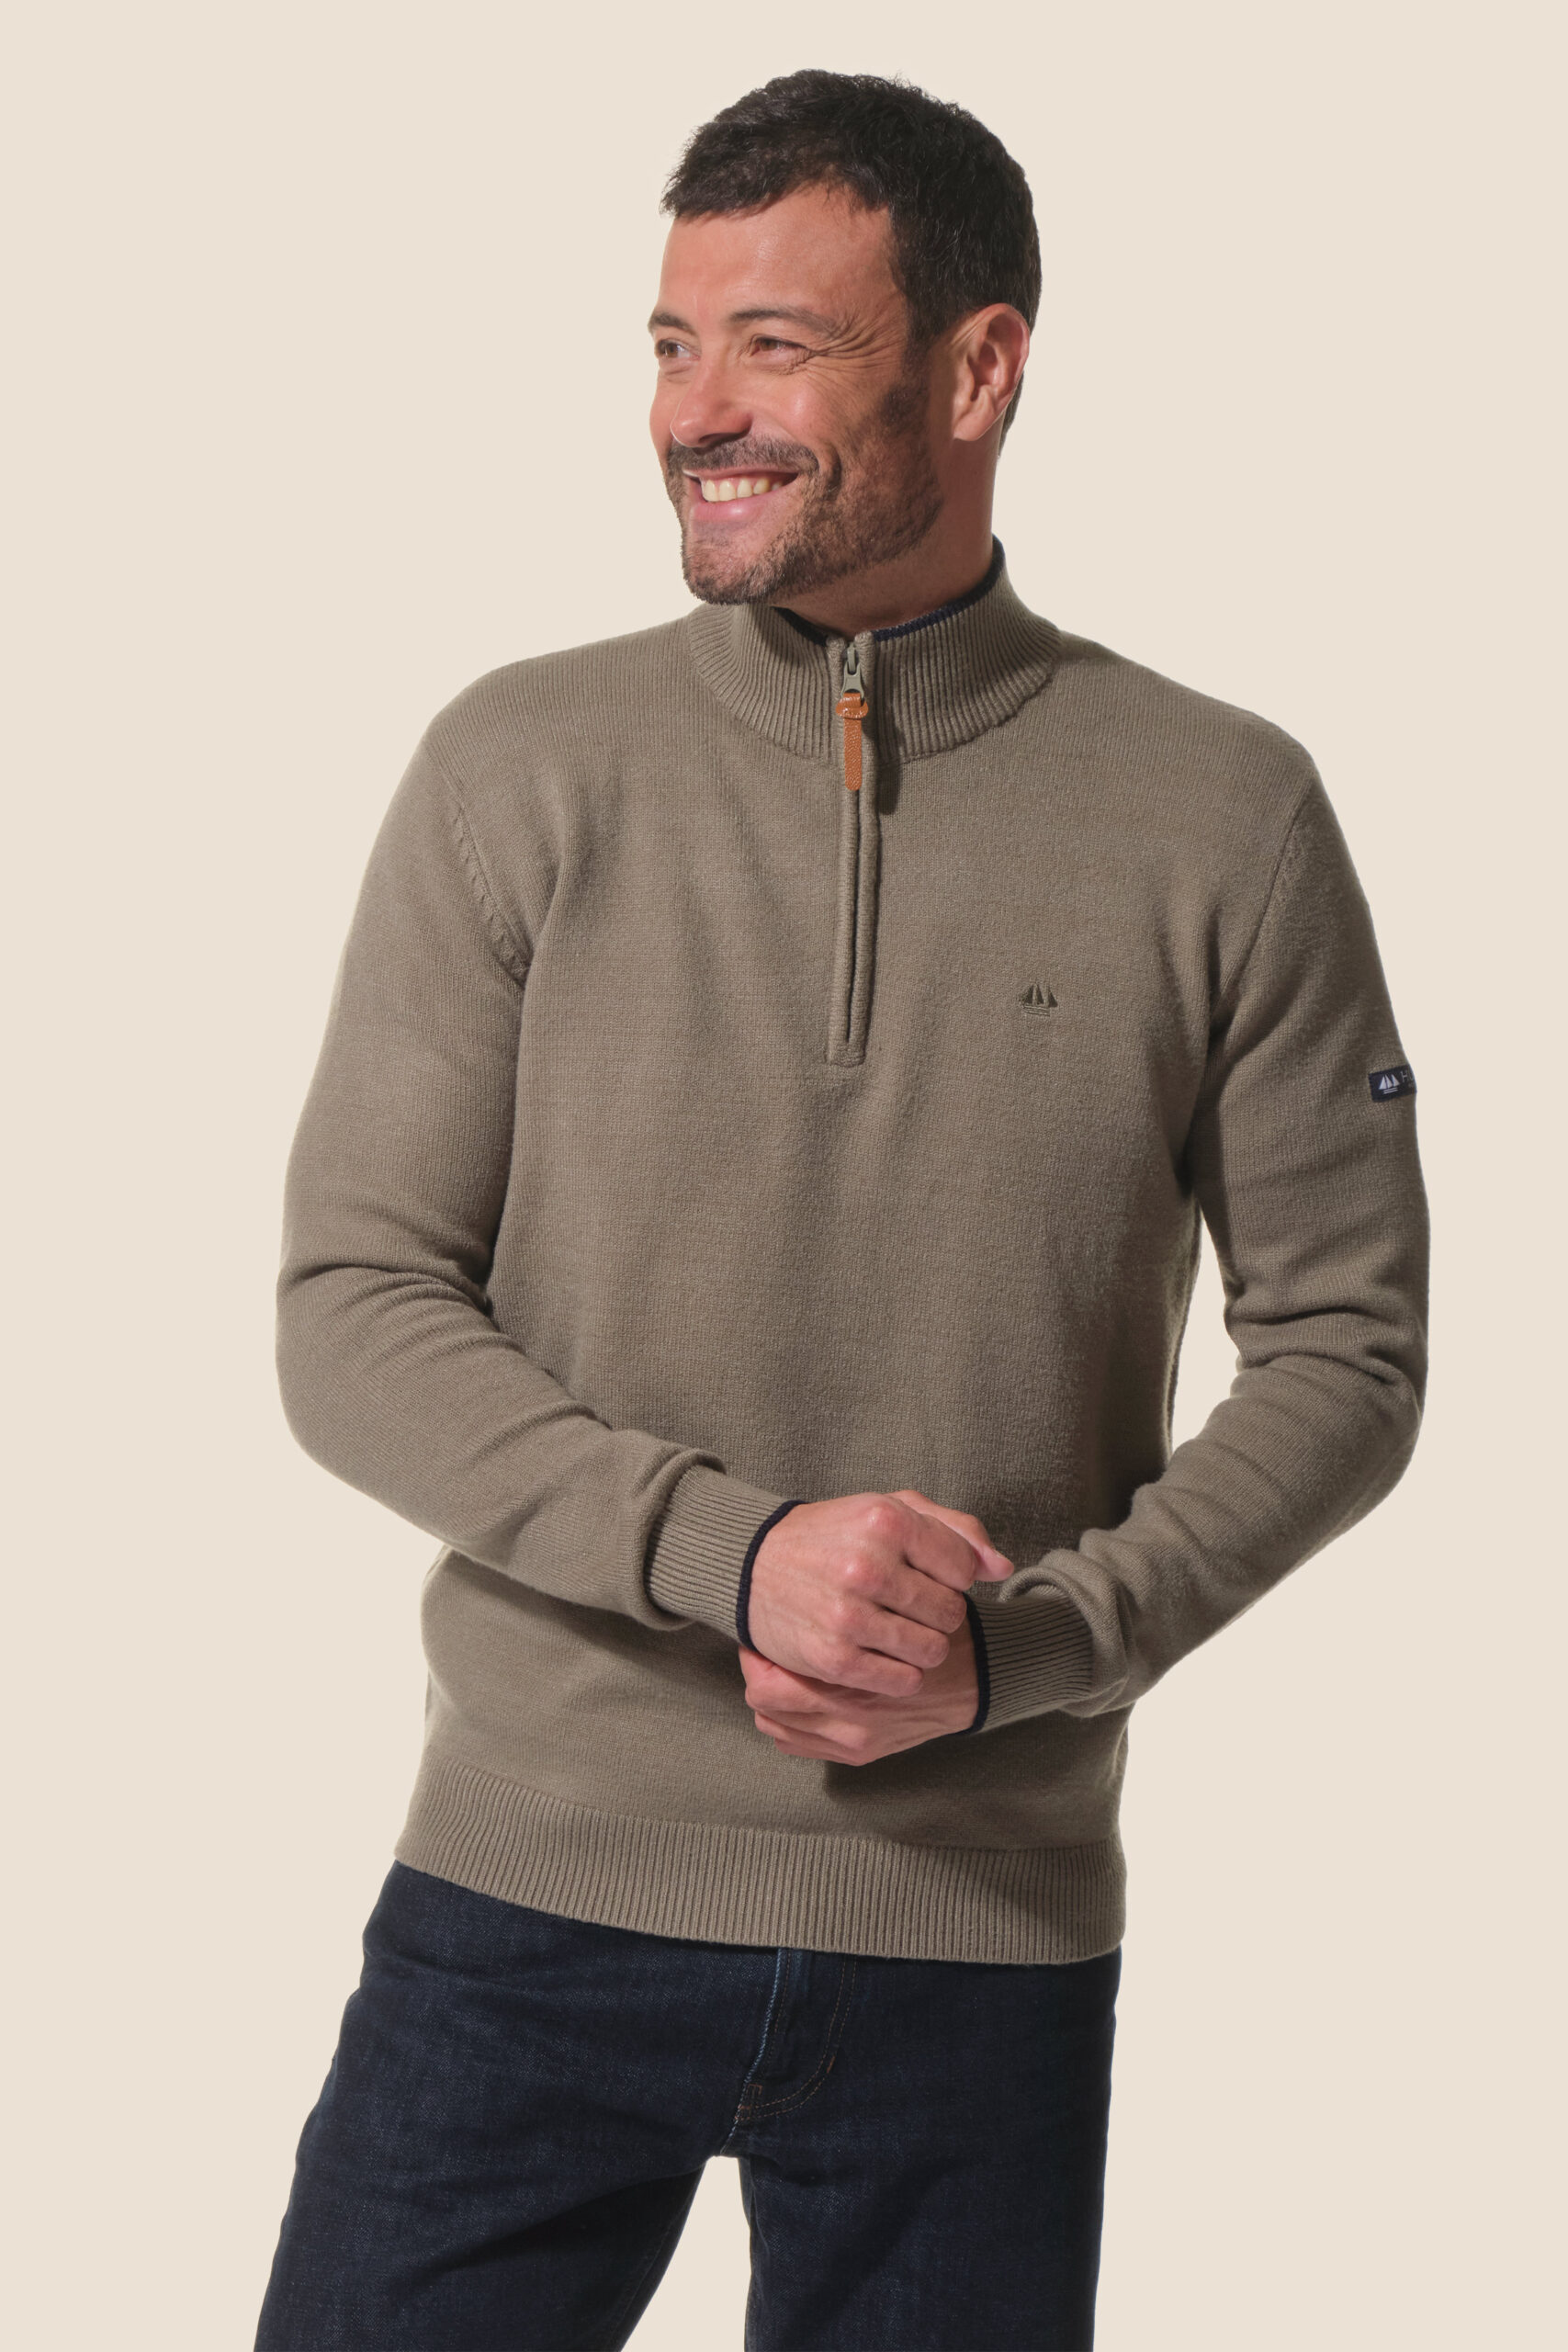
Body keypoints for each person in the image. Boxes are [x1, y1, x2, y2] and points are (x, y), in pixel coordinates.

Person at [254, 69, 1427, 2352]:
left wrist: (1029, 1644)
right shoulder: (519, 763)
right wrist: (735, 1547)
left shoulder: (1224, 810)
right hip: (527, 1896)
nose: (698, 409)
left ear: (978, 369)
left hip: (977, 1940)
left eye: (774, 344)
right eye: (670, 344)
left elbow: (1347, 1349)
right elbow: (352, 1306)